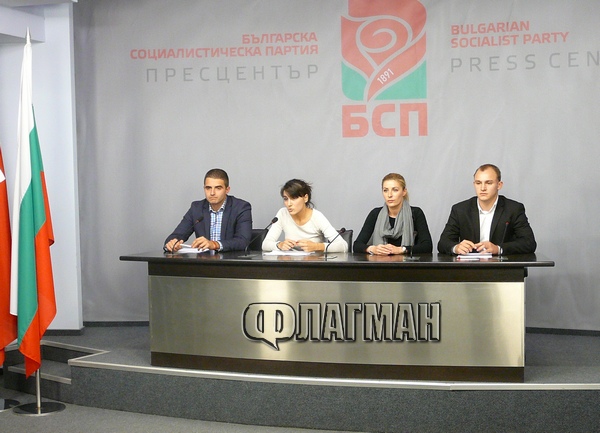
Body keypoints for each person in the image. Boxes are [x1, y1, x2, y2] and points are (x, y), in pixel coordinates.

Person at [437, 164, 536, 255]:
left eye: (488, 183)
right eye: (478, 183)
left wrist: (498, 249)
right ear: (474, 184)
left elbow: (529, 243)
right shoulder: (460, 209)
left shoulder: (513, 209)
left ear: (499, 185)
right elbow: (443, 243)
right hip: (469, 266)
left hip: (501, 266)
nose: (483, 188)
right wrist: (456, 248)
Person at [164, 168, 252, 252]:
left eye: (218, 188)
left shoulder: (241, 207)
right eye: (208, 188)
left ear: (227, 190)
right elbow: (176, 235)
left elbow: (243, 241)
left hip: (230, 260)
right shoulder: (196, 208)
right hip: (204, 260)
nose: (212, 193)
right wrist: (172, 243)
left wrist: (214, 244)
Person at [353, 173, 432, 255]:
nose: (389, 195)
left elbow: (427, 246)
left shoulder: (416, 213)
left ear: (404, 192)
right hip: (380, 262)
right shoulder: (375, 214)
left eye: (395, 190)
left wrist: (401, 249)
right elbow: (357, 245)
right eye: (385, 190)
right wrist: (373, 249)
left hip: (406, 263)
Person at [262, 179, 348, 253]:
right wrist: (279, 245)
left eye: (294, 198)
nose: (289, 204)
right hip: (290, 263)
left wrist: (317, 246)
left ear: (305, 198)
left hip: (313, 264)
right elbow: (265, 244)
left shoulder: (317, 217)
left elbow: (343, 246)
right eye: (286, 199)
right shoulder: (282, 213)